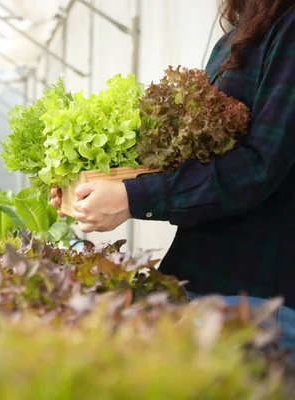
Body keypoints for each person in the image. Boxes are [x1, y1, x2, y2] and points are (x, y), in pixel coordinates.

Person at [50, 0, 295, 358]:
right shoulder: (241, 33)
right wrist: (95, 181)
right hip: (196, 279)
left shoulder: (288, 29)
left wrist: (132, 197)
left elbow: (259, 167)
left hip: (254, 297)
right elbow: (199, 156)